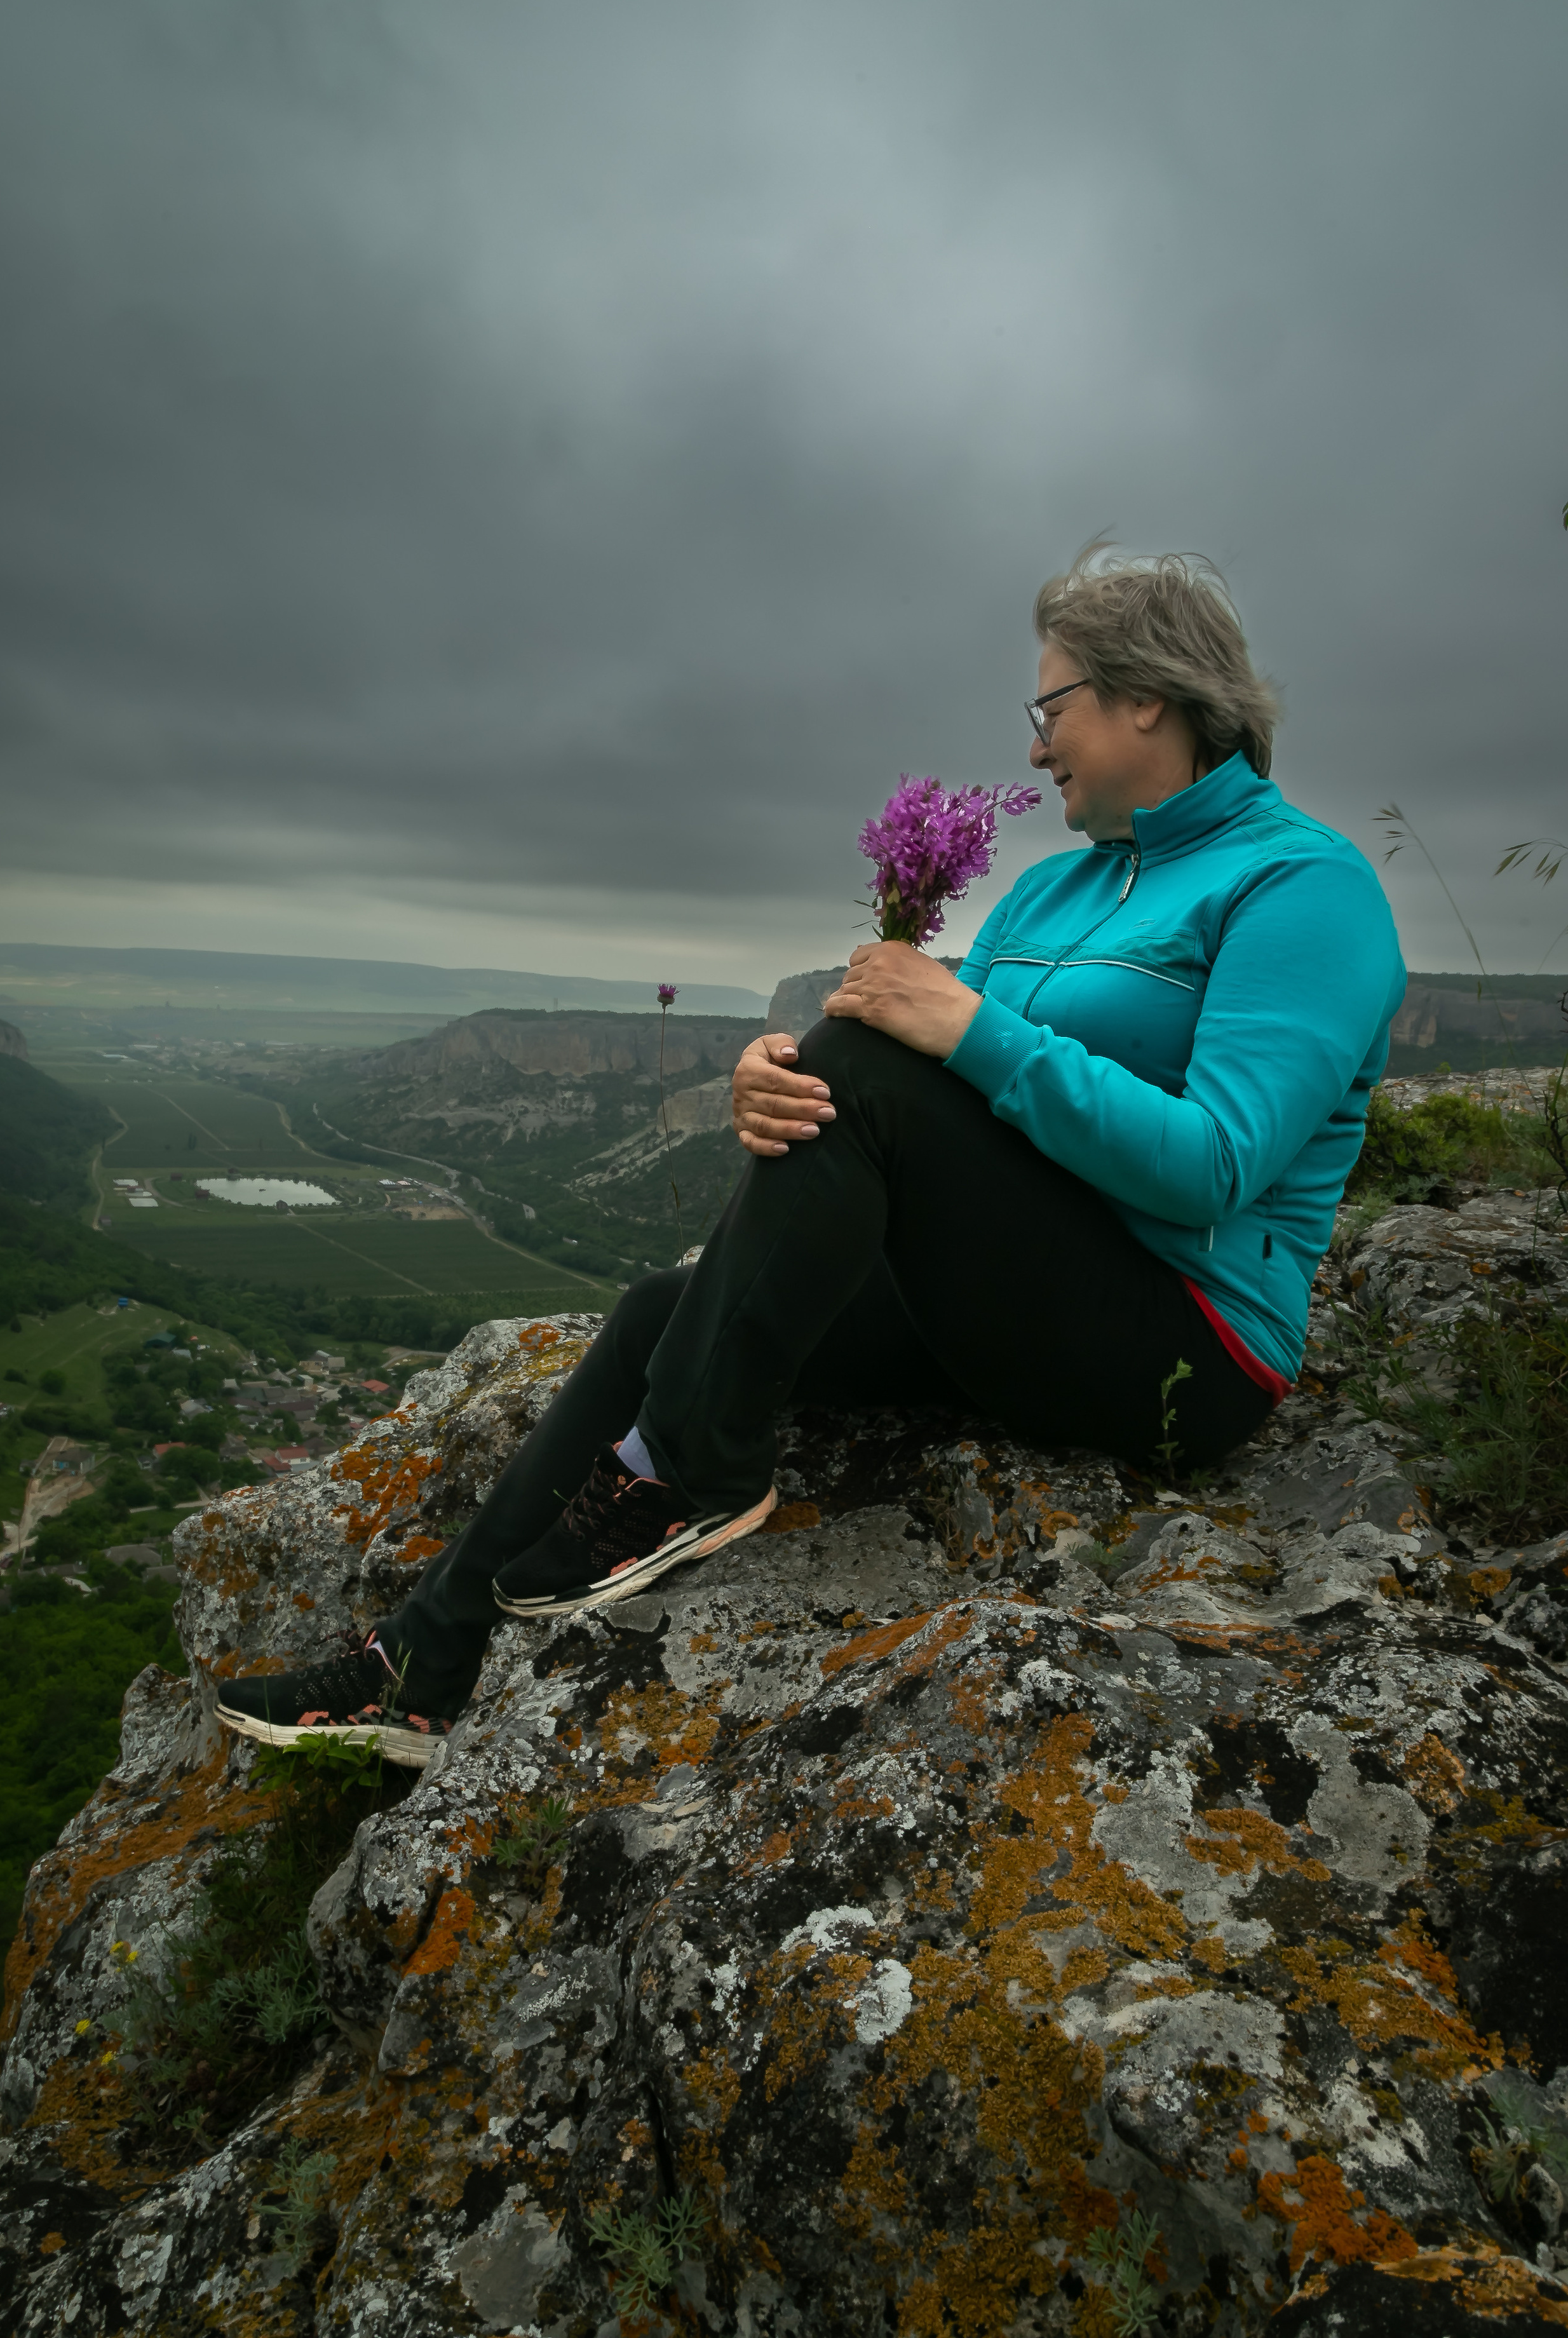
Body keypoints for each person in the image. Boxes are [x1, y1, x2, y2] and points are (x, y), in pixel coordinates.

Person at [220, 548, 1405, 1759]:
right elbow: (933, 1091)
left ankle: (692, 1469)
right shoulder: (1052, 891)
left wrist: (959, 1026)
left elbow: (1214, 1164)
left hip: (1183, 1353)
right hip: (1022, 1298)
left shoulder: (1303, 887)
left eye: (1052, 709)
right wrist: (780, 1089)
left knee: (878, 1052)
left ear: (1144, 697)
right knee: (657, 1316)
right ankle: (421, 1667)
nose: (1038, 748)